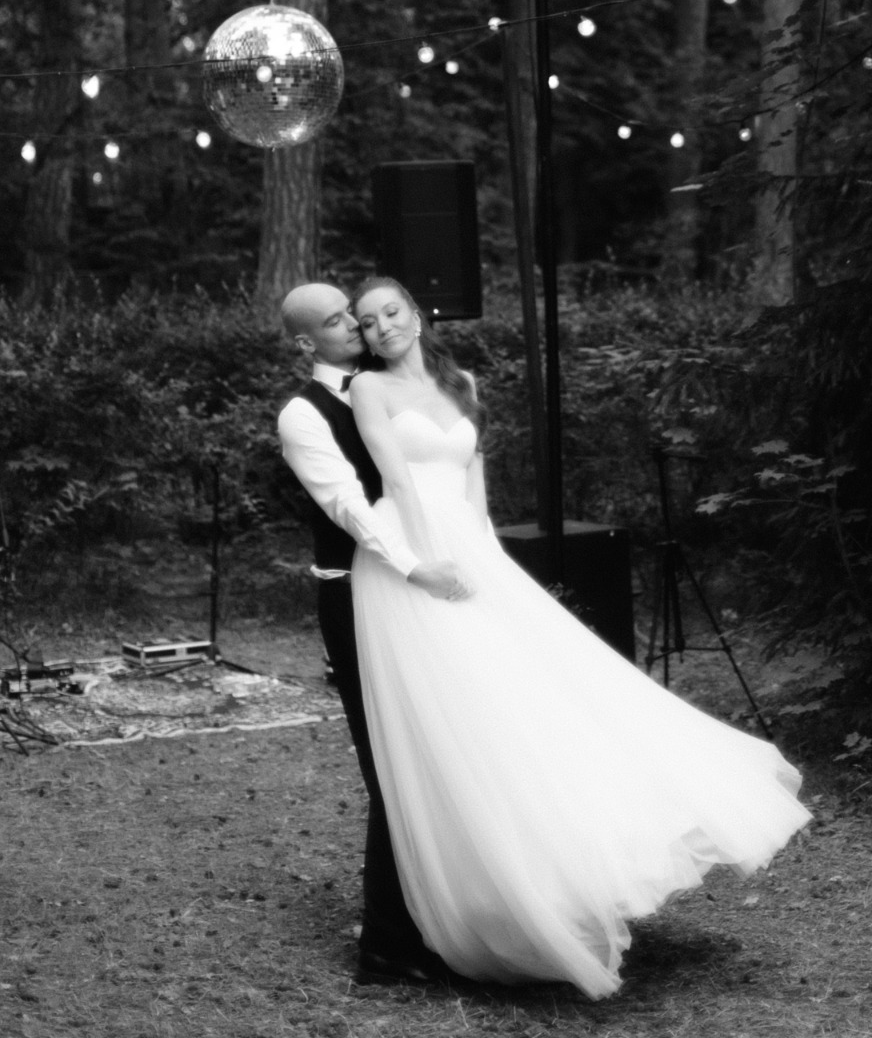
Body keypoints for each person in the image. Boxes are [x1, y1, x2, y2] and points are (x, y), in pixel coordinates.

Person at [347, 273, 812, 1001]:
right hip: (409, 557)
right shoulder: (368, 390)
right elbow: (398, 481)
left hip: (469, 545)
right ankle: (477, 893)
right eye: (369, 322)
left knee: (540, 695)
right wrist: (429, 563)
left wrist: (486, 554)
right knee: (459, 712)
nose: (383, 328)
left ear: (415, 313)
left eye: (391, 312)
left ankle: (561, 871)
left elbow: (473, 478)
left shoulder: (462, 382)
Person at [277, 281, 468, 989]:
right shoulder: (303, 413)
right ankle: (387, 943)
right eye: (338, 322)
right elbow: (348, 505)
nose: (355, 329)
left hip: (421, 583)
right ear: (307, 341)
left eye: (353, 316)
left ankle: (447, 913)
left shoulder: (382, 384)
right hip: (357, 593)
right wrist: (416, 566)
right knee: (391, 760)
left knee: (443, 746)